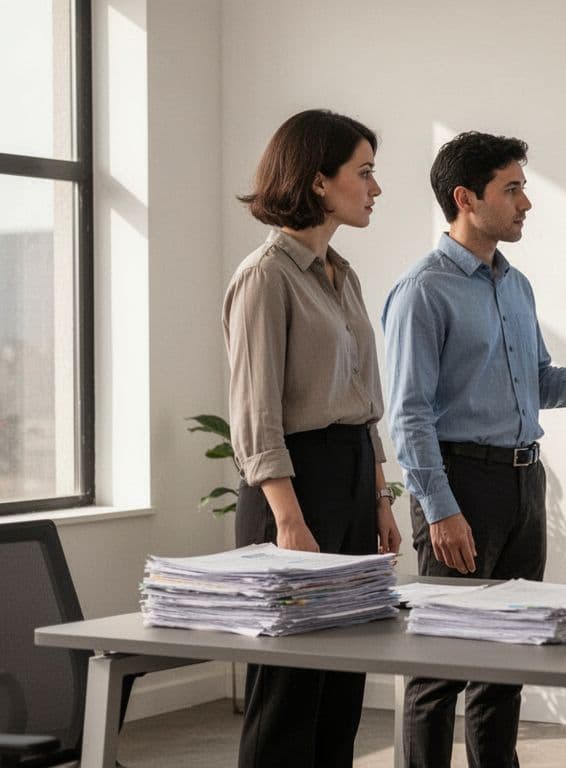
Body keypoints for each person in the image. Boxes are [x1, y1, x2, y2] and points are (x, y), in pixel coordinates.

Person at [383, 131, 566, 768]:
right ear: (466, 198)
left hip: (522, 486)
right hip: (461, 487)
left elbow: (538, 386)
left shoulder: (516, 286)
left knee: (506, 657)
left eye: (523, 188)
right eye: (512, 188)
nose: (526, 203)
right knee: (439, 668)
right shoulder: (423, 291)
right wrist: (440, 508)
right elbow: (409, 414)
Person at [223, 109, 402, 768]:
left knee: (343, 684)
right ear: (320, 181)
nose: (375, 188)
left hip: (352, 478)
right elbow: (255, 410)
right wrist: (287, 523)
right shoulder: (265, 276)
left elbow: (362, 404)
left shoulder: (341, 274)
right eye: (365, 172)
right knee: (289, 691)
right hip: (294, 490)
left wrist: (379, 500)